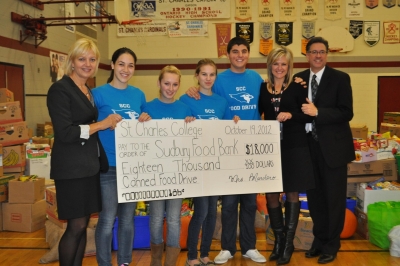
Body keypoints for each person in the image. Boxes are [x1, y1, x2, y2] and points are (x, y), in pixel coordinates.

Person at [187, 37, 266, 264]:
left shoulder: (256, 78)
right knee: (230, 203)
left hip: (250, 148)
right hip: (227, 149)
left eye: (243, 51)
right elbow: (206, 96)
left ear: (248, 54)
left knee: (250, 202)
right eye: (234, 51)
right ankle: (228, 247)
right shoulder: (219, 80)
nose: (239, 55)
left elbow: (266, 106)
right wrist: (193, 90)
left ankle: (249, 247)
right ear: (228, 54)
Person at [46, 38, 121, 266]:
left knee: (83, 224)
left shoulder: (86, 89)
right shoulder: (60, 89)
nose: (87, 64)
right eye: (82, 59)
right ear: (72, 61)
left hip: (88, 166)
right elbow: (66, 132)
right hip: (71, 169)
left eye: (92, 59)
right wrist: (102, 124)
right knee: (76, 226)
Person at [298, 36, 355, 264]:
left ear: (327, 54)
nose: (318, 55)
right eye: (313, 52)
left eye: (322, 51)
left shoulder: (341, 79)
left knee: (333, 200)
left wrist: (318, 112)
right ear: (307, 55)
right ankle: (319, 240)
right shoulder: (299, 79)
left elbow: (346, 112)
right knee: (315, 199)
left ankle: (332, 244)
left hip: (334, 150)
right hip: (308, 148)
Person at [92, 47, 150, 266]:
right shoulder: (98, 94)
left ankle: (124, 262)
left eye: (131, 65)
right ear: (113, 65)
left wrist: (146, 118)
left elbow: (145, 125)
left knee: (127, 220)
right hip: (107, 167)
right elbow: (90, 126)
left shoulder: (138, 95)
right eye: (122, 64)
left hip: (132, 167)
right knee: (107, 220)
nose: (126, 69)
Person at [180, 59, 240, 266]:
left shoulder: (221, 102)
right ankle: (191, 256)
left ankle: (205, 253)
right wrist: (185, 123)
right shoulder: (186, 99)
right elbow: (178, 130)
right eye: (203, 74)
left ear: (216, 77)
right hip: (196, 165)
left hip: (216, 165)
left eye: (211, 74)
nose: (207, 78)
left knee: (213, 211)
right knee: (202, 211)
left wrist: (234, 124)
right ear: (196, 76)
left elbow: (224, 133)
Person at [258, 46, 314, 265]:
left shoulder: (298, 87)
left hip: (294, 147)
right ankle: (279, 241)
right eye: (276, 63)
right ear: (270, 65)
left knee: (291, 193)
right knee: (271, 195)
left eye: (284, 64)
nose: (279, 68)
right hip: (271, 149)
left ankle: (288, 244)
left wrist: (292, 114)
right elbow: (257, 113)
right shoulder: (263, 88)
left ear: (289, 67)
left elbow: (309, 116)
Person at [144, 65, 195, 266]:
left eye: (175, 84)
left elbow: (191, 141)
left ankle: (171, 262)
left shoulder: (184, 109)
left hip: (177, 173)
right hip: (155, 174)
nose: (170, 88)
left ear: (179, 85)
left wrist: (191, 125)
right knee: (156, 218)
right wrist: (141, 123)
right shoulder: (148, 107)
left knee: (174, 219)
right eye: (166, 83)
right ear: (158, 83)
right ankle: (156, 261)